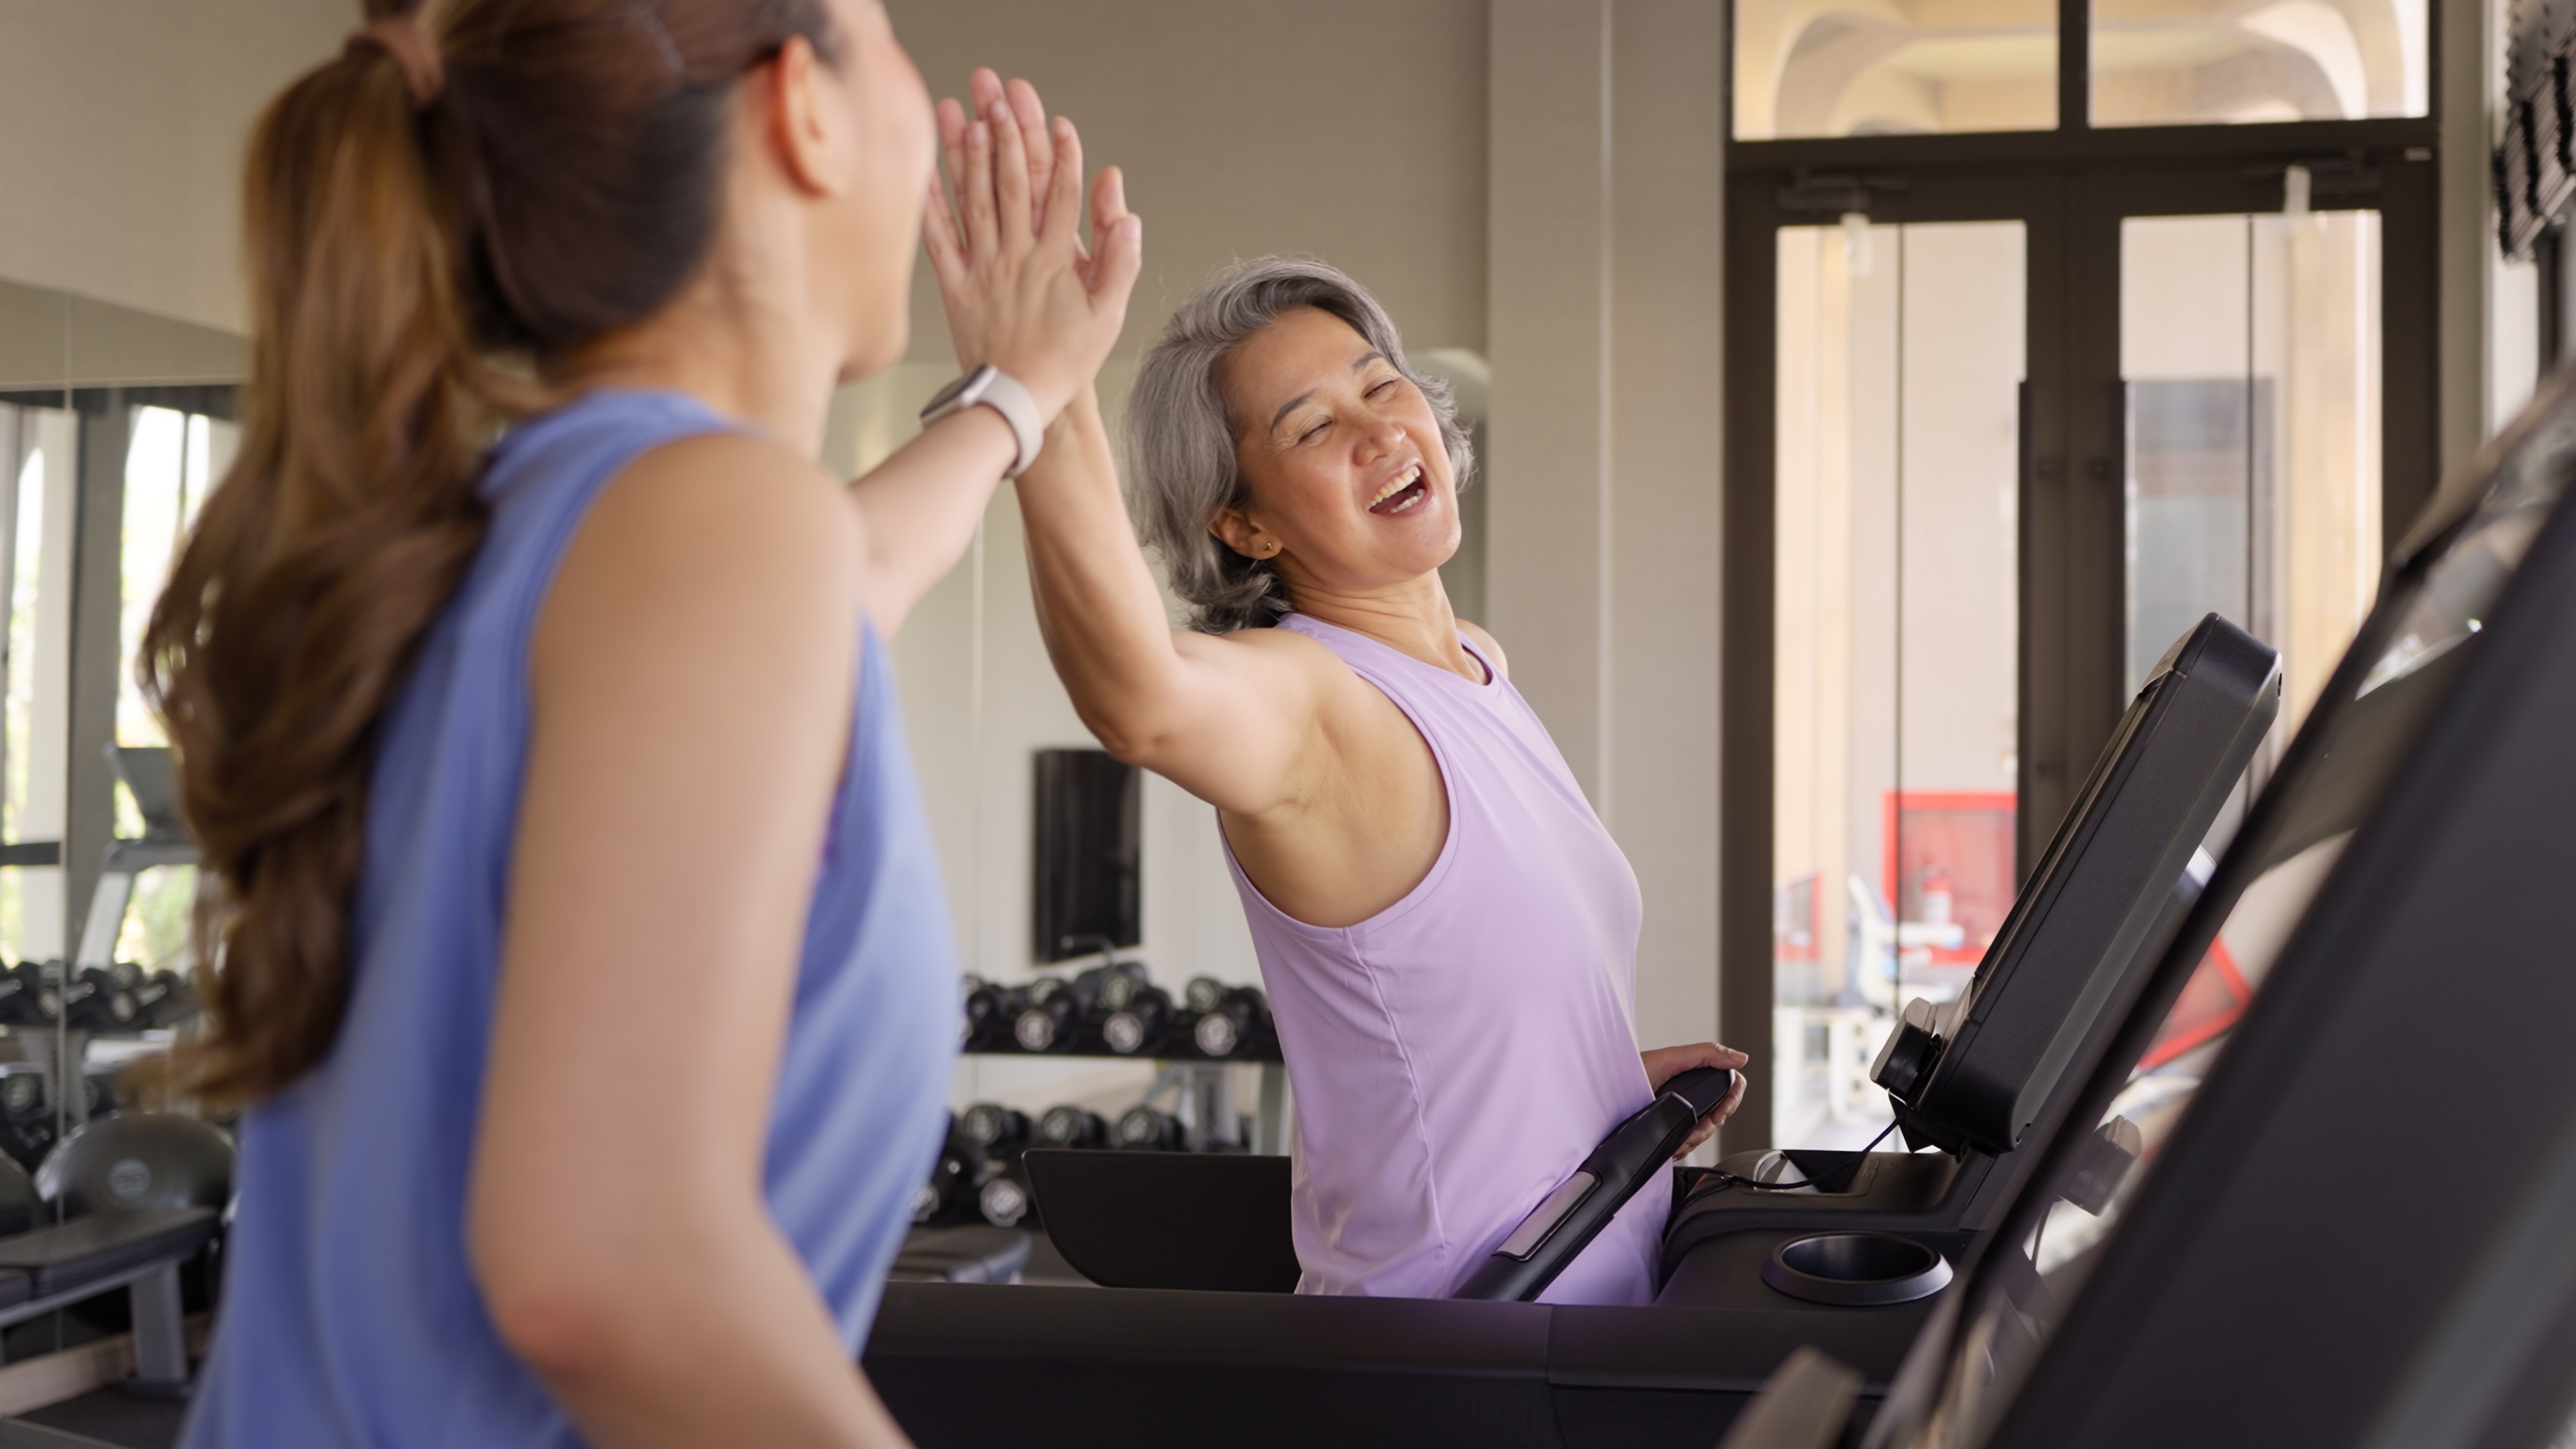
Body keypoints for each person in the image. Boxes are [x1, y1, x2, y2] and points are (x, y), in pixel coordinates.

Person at [148, 4, 1134, 1444]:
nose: (926, 108)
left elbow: (849, 576)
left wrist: (1020, 395)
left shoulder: (528, 525)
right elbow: (603, 1269)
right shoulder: (710, 526)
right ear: (800, 105)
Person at [926, 76, 1747, 1307]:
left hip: (1581, 1327)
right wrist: (1038, 391)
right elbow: (1138, 702)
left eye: (1380, 383)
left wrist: (1596, 1087)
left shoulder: (1473, 666)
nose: (1378, 427)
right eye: (1312, 428)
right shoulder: (1310, 701)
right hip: (1445, 1368)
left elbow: (1440, 1015)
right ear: (1245, 525)